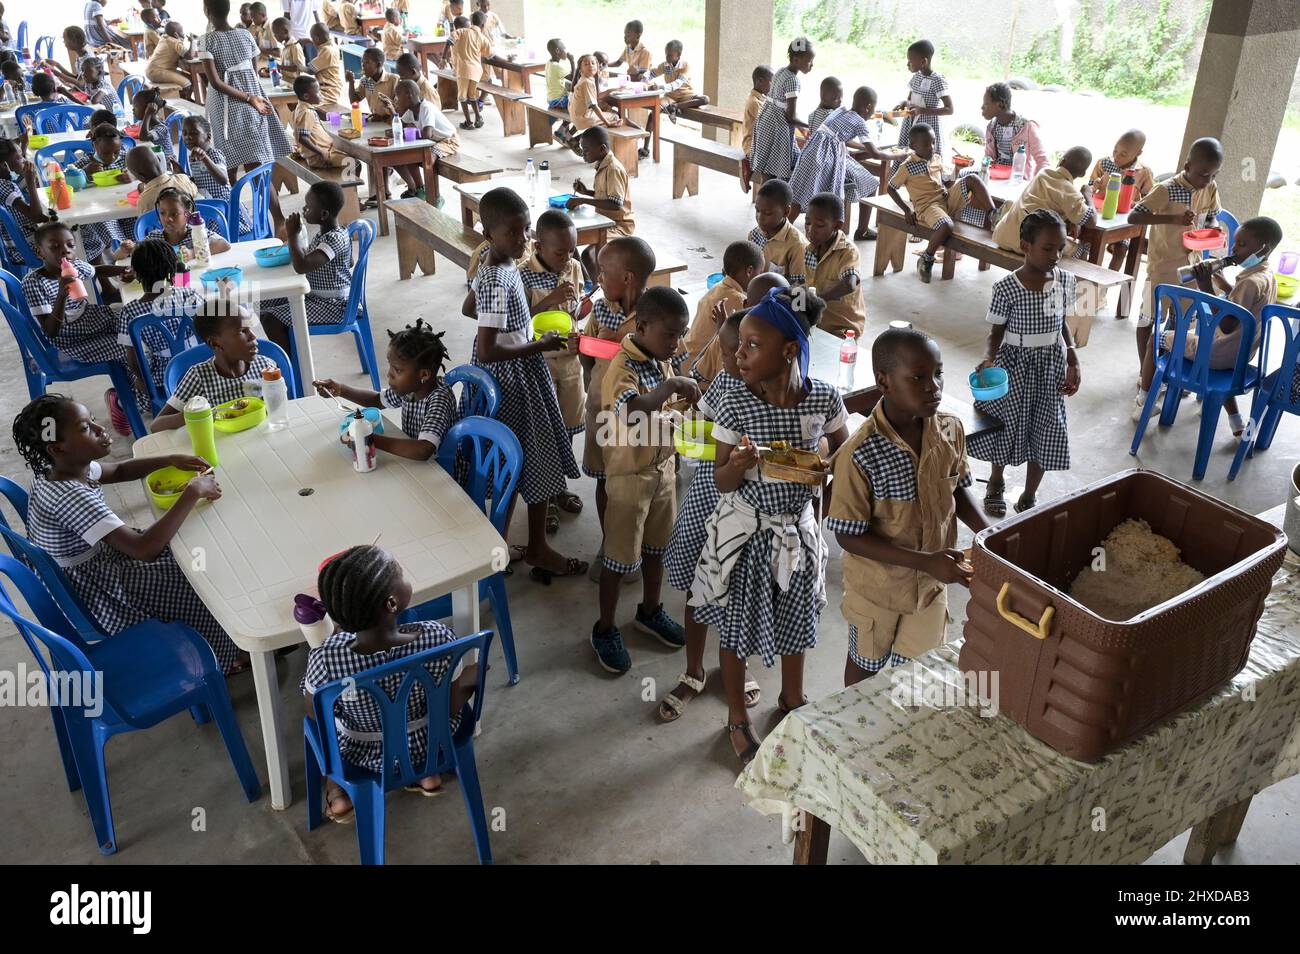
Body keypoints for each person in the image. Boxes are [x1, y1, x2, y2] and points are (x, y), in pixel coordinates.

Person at [689, 288, 849, 765]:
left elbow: (840, 449)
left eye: (753, 345)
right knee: (737, 632)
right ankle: (737, 717)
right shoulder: (736, 402)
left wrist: (818, 461)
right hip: (747, 535)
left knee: (797, 623)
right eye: (740, 344)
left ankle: (792, 698)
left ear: (789, 350)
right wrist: (738, 464)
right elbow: (720, 479)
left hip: (797, 533)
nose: (739, 353)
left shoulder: (821, 397)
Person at [14, 394, 242, 673]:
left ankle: (222, 641)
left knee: (192, 550)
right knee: (197, 582)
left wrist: (167, 459)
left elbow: (119, 470)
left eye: (93, 420)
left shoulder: (63, 467)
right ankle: (218, 659)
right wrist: (193, 491)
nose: (100, 429)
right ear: (57, 448)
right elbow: (145, 550)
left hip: (99, 561)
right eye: (85, 428)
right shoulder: (69, 495)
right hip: (97, 592)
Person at [828, 327, 986, 684]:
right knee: (866, 666)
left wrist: (989, 533)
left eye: (938, 373)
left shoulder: (950, 430)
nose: (934, 386)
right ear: (884, 382)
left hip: (931, 585)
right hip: (877, 590)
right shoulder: (860, 453)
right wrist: (925, 561)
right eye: (918, 377)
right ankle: (859, 734)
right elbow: (849, 537)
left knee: (916, 670)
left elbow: (958, 490)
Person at [659, 290, 780, 723]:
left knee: (739, 593)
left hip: (749, 511)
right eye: (730, 352)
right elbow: (703, 423)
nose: (732, 361)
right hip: (711, 498)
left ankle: (737, 666)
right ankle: (693, 671)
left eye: (742, 351)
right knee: (700, 584)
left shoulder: (775, 395)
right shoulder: (727, 383)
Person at [304, 545, 480, 821]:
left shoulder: (326, 657)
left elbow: (316, 713)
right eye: (402, 573)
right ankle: (426, 773)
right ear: (391, 603)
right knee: (469, 674)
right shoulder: (437, 637)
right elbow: (452, 705)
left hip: (365, 754)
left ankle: (337, 788)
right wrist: (474, 675)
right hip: (433, 740)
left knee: (328, 728)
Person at [468, 187, 586, 581]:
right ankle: (534, 547)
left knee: (516, 464)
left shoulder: (495, 267)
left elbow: (472, 308)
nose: (523, 241)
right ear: (489, 235)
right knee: (533, 460)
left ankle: (498, 548)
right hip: (512, 380)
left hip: (519, 369)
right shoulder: (497, 279)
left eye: (525, 232)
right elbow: (488, 349)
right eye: (513, 234)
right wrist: (538, 343)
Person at [589, 287, 696, 673]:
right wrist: (669, 388)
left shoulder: (659, 358)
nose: (678, 342)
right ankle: (604, 628)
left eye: (681, 333)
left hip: (662, 472)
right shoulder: (623, 366)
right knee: (619, 560)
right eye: (671, 334)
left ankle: (650, 610)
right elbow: (633, 409)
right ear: (643, 326)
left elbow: (663, 411)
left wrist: (681, 410)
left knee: (657, 550)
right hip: (629, 478)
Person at [968, 209, 1083, 516]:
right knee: (1007, 426)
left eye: (1060, 248)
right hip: (1015, 364)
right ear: (1025, 246)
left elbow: (1061, 321)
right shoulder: (1007, 287)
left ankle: (1030, 495)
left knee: (1047, 429)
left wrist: (1071, 353)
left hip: (1050, 365)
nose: (1055, 255)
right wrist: (988, 358)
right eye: (1048, 248)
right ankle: (996, 481)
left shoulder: (1065, 280)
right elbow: (996, 332)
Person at [1135, 216, 1281, 436]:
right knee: (1213, 348)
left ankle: (1143, 400)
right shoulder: (1266, 275)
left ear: (1263, 248)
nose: (1234, 249)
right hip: (1241, 355)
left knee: (1157, 337)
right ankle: (1236, 421)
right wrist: (1224, 285)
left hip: (1218, 354)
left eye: (1242, 245)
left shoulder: (1249, 282)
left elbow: (1228, 323)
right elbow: (1245, 308)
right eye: (1235, 242)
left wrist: (1205, 286)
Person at [576, 237, 654, 580]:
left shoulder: (655, 316)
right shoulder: (601, 308)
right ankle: (610, 547)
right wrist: (589, 350)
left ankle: (635, 550)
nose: (598, 280)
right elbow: (585, 355)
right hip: (600, 411)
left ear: (627, 278)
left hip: (636, 420)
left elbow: (666, 363)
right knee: (605, 479)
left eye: (603, 272)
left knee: (636, 485)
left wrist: (617, 345)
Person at [1127, 137, 1223, 374]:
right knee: (1147, 318)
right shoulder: (1166, 189)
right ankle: (1145, 370)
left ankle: (1167, 367)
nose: (1208, 180)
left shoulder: (1209, 188)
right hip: (1162, 267)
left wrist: (1213, 228)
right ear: (1187, 166)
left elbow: (1212, 214)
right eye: (1203, 174)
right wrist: (1172, 219)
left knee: (1180, 321)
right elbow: (1134, 216)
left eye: (1213, 174)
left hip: (1192, 267)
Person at [196, 0, 292, 234]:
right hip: (254, 104)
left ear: (206, 11)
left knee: (226, 168)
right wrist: (252, 98)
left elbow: (216, 83)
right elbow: (252, 71)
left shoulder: (206, 40)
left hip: (226, 107)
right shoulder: (246, 35)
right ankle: (278, 220)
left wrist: (248, 98)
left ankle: (231, 223)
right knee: (258, 167)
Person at [20, 222, 131, 424]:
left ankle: (139, 387)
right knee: (128, 346)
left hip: (92, 320)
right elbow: (51, 331)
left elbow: (95, 270)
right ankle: (124, 402)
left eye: (70, 245)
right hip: (72, 341)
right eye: (55, 247)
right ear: (40, 252)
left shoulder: (74, 265)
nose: (65, 251)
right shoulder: (34, 283)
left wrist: (122, 270)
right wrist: (62, 294)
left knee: (135, 322)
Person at [519, 209, 586, 529]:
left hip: (569, 361)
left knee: (568, 425)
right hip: (540, 362)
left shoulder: (573, 266)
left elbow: (576, 310)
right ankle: (542, 502)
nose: (567, 258)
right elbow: (519, 322)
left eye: (571, 251)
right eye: (560, 252)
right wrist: (551, 299)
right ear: (537, 245)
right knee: (543, 432)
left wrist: (579, 312)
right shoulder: (523, 273)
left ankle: (558, 487)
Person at [314, 319, 458, 463]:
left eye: (397, 370)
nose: (389, 374)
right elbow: (377, 400)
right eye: (391, 367)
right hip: (416, 463)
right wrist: (341, 390)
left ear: (423, 375)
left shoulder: (439, 399)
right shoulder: (411, 388)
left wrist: (369, 439)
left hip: (443, 471)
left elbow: (423, 450)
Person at [789, 85, 899, 241]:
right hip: (826, 158)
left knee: (799, 194)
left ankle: (782, 230)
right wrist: (898, 156)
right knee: (838, 196)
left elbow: (838, 135)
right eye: (873, 109)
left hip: (811, 152)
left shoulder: (842, 111)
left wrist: (865, 144)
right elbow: (875, 154)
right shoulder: (860, 122)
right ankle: (851, 233)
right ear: (868, 107)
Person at [152, 296, 278, 429]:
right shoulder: (199, 376)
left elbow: (281, 407)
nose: (253, 336)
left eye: (250, 328)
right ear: (215, 343)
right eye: (242, 331)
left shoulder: (265, 367)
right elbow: (156, 425)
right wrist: (197, 415)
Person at [259, 181, 353, 354]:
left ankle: (292, 368)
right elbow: (349, 262)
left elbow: (302, 266)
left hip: (334, 305)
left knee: (271, 320)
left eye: (308, 208)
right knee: (265, 302)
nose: (304, 210)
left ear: (324, 214)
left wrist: (292, 235)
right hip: (317, 297)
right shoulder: (328, 233)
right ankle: (289, 350)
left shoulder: (333, 239)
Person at [114, 237, 205, 405]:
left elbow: (133, 361)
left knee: (134, 381)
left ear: (136, 272)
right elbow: (209, 330)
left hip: (164, 380)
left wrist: (144, 381)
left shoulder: (129, 312)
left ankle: (120, 406)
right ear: (173, 269)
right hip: (200, 370)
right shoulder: (189, 294)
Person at [683, 241, 763, 387]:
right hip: (700, 372)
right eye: (759, 274)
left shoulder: (717, 287)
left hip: (685, 358)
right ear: (749, 271)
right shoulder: (740, 301)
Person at [992, 146, 1094, 257]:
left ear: (1061, 160)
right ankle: (1067, 274)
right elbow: (1091, 222)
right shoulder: (1071, 192)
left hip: (1003, 237)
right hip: (1030, 248)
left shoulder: (1043, 173)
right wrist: (1088, 195)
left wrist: (1074, 221)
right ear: (1082, 174)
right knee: (1083, 247)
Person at [887, 123, 952, 283]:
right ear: (913, 146)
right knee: (947, 226)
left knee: (972, 180)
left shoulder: (936, 158)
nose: (931, 147)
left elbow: (945, 182)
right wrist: (906, 210)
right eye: (925, 144)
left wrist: (954, 182)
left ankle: (993, 214)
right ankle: (927, 257)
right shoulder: (907, 167)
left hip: (945, 199)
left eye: (933, 142)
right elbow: (891, 188)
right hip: (928, 207)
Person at [568, 126, 634, 279]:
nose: (583, 154)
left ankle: (598, 288)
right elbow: (606, 196)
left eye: (586, 150)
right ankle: (592, 284)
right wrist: (586, 192)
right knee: (572, 244)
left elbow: (616, 203)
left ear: (602, 148)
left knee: (591, 255)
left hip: (619, 226)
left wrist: (583, 200)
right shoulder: (602, 164)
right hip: (605, 222)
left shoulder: (613, 169)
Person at [1087, 129, 1156, 270]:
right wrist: (1095, 185)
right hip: (1100, 216)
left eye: (1123, 154)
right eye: (1115, 151)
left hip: (1123, 221)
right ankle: (1089, 283)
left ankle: (1104, 288)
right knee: (1088, 246)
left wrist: (1133, 205)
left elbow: (1149, 201)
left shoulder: (1143, 172)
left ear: (1138, 153)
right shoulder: (1103, 164)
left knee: (1121, 250)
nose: (1117, 157)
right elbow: (1088, 190)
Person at [800, 192, 866, 339]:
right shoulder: (809, 249)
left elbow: (849, 284)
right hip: (816, 321)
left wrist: (817, 300)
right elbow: (804, 283)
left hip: (843, 327)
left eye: (819, 225)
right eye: (807, 222)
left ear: (837, 225)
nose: (810, 229)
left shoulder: (848, 252)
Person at [749, 38, 814, 186]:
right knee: (778, 170)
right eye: (809, 61)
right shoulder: (793, 80)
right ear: (796, 59)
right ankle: (775, 204)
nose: (812, 65)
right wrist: (810, 125)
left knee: (767, 170)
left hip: (765, 120)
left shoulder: (780, 72)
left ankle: (763, 206)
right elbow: (790, 116)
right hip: (777, 127)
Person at [387, 79, 460, 202]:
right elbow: (401, 124)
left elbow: (427, 133)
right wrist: (393, 126)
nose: (396, 100)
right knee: (404, 155)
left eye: (397, 96)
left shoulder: (425, 108)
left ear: (408, 95)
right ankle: (419, 188)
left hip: (449, 140)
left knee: (428, 159)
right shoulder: (411, 111)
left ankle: (434, 196)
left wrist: (407, 132)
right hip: (433, 141)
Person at [73, 124, 135, 263]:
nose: (112, 157)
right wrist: (84, 172)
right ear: (95, 145)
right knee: (100, 224)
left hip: (126, 206)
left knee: (137, 220)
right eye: (106, 153)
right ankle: (110, 254)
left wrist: (132, 175)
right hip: (102, 210)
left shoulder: (127, 158)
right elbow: (66, 182)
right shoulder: (85, 162)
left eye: (116, 152)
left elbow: (144, 173)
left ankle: (132, 250)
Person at [181, 114, 251, 235]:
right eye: (185, 133)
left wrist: (205, 158)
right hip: (208, 206)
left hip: (224, 209)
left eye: (194, 133)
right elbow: (197, 182)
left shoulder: (214, 154)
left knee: (203, 234)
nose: (188, 137)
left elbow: (223, 179)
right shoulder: (193, 157)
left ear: (208, 137)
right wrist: (181, 173)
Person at [129, 186, 232, 257]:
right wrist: (124, 250)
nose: (167, 219)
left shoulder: (196, 233)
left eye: (174, 214)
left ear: (187, 215)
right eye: (163, 213)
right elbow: (134, 251)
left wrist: (192, 253)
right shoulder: (154, 239)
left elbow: (224, 244)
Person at [894, 39, 952, 159]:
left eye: (910, 61)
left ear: (923, 61)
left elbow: (949, 109)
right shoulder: (916, 77)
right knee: (906, 156)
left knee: (924, 158)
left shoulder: (937, 80)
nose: (907, 64)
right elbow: (910, 100)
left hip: (926, 129)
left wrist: (922, 111)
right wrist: (904, 103)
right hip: (910, 125)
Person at [979, 82, 1046, 176]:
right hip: (997, 178)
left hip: (1018, 181)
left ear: (1000, 105)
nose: (982, 107)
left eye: (986, 104)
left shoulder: (1026, 126)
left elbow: (1042, 161)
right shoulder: (992, 127)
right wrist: (983, 171)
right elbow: (988, 157)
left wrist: (1035, 184)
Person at [747, 178, 808, 278]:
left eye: (767, 213)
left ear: (786, 212)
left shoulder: (798, 246)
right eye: (757, 210)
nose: (760, 218)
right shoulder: (754, 234)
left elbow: (798, 285)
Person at [0, 138, 46, 271]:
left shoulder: (5, 182)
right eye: (20, 158)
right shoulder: (5, 187)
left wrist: (24, 146)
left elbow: (19, 182)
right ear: (4, 165)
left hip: (21, 242)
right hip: (28, 247)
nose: (25, 161)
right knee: (72, 237)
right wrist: (30, 181)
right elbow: (36, 217)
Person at [290, 74, 352, 169]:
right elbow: (303, 138)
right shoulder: (307, 112)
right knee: (353, 163)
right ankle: (351, 184)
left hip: (319, 152)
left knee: (346, 155)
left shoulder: (301, 107)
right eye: (318, 92)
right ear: (306, 96)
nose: (321, 95)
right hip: (318, 157)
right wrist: (321, 152)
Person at [125, 143, 198, 215]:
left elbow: (145, 223)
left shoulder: (144, 201)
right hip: (196, 224)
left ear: (140, 177)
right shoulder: (183, 179)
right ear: (159, 159)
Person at [645, 40, 709, 122]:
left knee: (705, 99)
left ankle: (675, 106)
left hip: (686, 96)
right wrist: (644, 78)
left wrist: (659, 87)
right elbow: (652, 73)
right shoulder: (665, 65)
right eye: (666, 55)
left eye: (670, 55)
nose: (667, 57)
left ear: (678, 55)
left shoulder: (685, 66)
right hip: (670, 97)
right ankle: (646, 135)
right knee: (653, 113)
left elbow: (677, 84)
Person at [448, 14, 486, 129]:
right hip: (476, 70)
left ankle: (468, 122)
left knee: (462, 97)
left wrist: (444, 57)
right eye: (467, 27)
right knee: (472, 95)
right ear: (460, 27)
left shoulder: (461, 35)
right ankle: (478, 117)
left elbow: (454, 56)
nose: (469, 30)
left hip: (463, 70)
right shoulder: (466, 34)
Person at [739, 65, 773, 194]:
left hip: (761, 144)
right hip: (752, 146)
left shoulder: (762, 98)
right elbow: (766, 124)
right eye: (771, 81)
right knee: (769, 170)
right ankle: (765, 199)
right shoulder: (754, 101)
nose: (773, 85)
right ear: (760, 81)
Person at [568, 53, 620, 134]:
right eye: (586, 64)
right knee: (616, 116)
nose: (590, 65)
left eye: (593, 63)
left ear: (597, 67)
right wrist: (608, 123)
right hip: (583, 119)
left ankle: (573, 137)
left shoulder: (584, 79)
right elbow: (593, 105)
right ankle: (580, 138)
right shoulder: (587, 82)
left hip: (576, 117)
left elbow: (596, 97)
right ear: (581, 70)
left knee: (605, 112)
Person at [145, 19, 195, 96]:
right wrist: (192, 41)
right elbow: (190, 56)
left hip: (153, 70)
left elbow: (183, 53)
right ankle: (182, 102)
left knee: (191, 78)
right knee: (187, 83)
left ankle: (186, 99)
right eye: (182, 31)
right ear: (175, 34)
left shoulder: (165, 37)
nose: (184, 33)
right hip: (157, 72)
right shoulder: (174, 42)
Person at [543, 38, 576, 144]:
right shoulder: (556, 66)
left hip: (552, 99)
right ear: (558, 50)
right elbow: (573, 78)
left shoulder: (549, 63)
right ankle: (566, 135)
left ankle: (560, 132)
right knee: (578, 106)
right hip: (558, 100)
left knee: (573, 103)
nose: (566, 50)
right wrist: (572, 61)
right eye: (564, 48)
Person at [131, 85, 176, 162]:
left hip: (165, 165)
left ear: (148, 108)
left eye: (135, 106)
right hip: (152, 159)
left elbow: (144, 137)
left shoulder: (161, 128)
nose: (133, 109)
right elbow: (132, 128)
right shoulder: (143, 122)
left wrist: (147, 114)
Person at [307, 21, 344, 106]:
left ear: (316, 39)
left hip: (328, 90)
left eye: (313, 39)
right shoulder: (332, 45)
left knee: (307, 104)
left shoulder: (326, 50)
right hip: (328, 87)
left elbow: (310, 70)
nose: (312, 42)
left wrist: (298, 66)